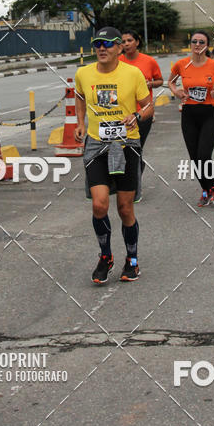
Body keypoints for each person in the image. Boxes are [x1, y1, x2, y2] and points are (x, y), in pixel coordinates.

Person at [74, 27, 152, 284]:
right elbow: (80, 96)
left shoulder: (133, 73)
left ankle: (132, 260)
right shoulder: (83, 73)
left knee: (125, 208)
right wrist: (81, 123)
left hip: (126, 144)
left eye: (108, 43)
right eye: (97, 43)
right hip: (97, 145)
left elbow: (149, 106)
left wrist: (137, 116)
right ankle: (106, 256)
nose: (101, 48)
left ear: (120, 47)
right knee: (99, 205)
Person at [168, 31, 214, 207]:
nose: (197, 44)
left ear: (207, 45)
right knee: (194, 158)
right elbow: (170, 81)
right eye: (194, 41)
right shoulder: (181, 64)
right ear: (191, 44)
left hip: (209, 113)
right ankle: (205, 189)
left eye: (202, 42)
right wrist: (176, 91)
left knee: (204, 154)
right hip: (189, 114)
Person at [119, 30, 163, 201]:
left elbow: (160, 81)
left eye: (130, 40)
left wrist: (150, 83)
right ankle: (135, 172)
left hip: (143, 114)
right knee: (126, 150)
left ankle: (135, 189)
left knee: (135, 149)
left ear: (137, 42)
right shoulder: (117, 62)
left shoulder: (149, 61)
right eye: (123, 41)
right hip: (122, 115)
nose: (126, 44)